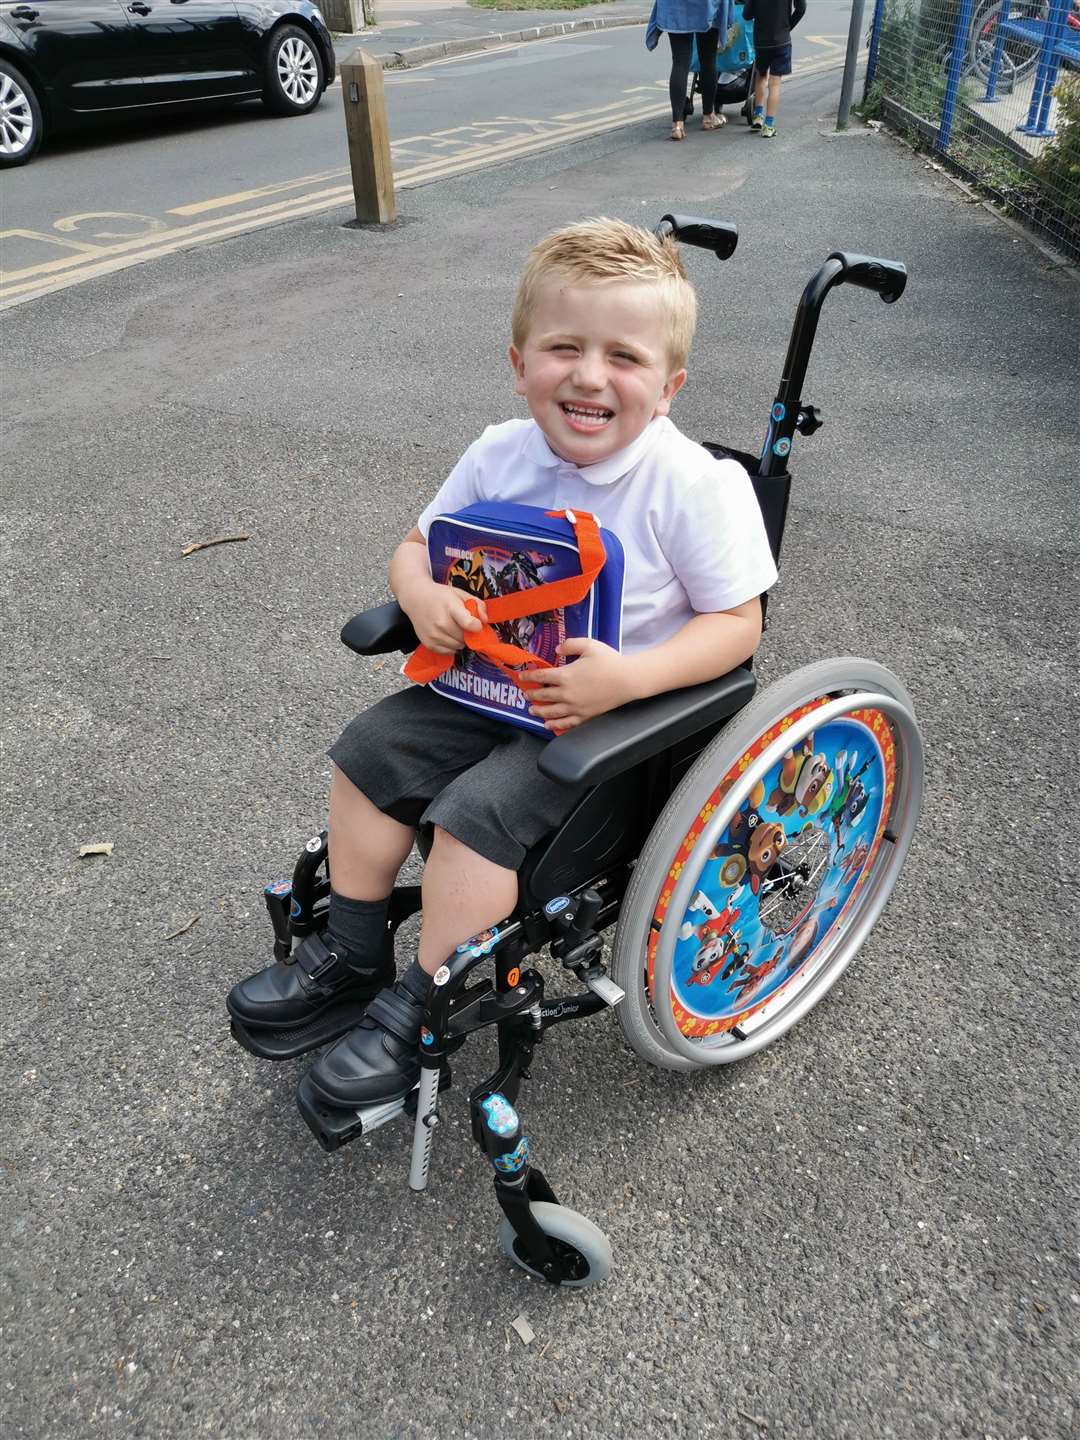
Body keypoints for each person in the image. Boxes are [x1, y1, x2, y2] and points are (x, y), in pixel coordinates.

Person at [227, 218, 778, 1109]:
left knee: (472, 814)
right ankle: (352, 954)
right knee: (370, 752)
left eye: (625, 359)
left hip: (599, 717)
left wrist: (630, 679)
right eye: (564, 347)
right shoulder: (497, 453)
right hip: (485, 682)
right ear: (520, 363)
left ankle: (423, 1001)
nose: (591, 376)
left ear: (670, 387)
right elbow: (416, 546)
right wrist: (420, 597)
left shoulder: (692, 487)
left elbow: (737, 625)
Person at [646, 0, 735, 140]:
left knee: (680, 61)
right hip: (706, 6)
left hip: (675, 6)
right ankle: (708, 116)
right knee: (708, 59)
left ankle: (677, 125)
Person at [742, 0, 806, 136]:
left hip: (761, 41)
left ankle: (758, 115)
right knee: (775, 83)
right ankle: (768, 125)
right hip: (782, 40)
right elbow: (801, 8)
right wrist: (788, 26)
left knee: (761, 75)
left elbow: (746, 14)